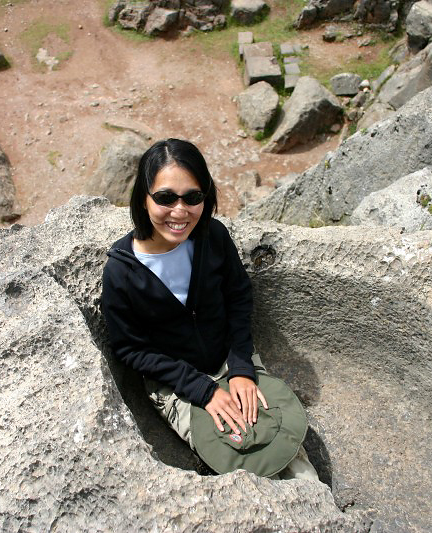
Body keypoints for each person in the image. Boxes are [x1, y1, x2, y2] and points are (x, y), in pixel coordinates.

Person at [101, 138, 317, 480]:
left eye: (193, 197)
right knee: (238, 454)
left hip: (230, 356)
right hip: (176, 382)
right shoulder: (121, 272)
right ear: (143, 198)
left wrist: (241, 367)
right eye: (165, 198)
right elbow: (130, 348)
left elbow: (238, 297)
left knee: (277, 435)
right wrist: (203, 390)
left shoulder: (212, 236)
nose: (180, 211)